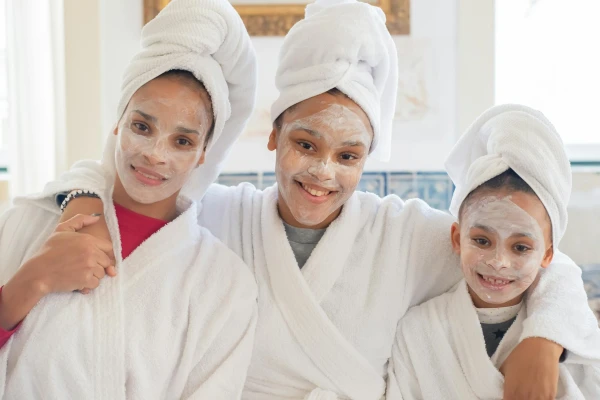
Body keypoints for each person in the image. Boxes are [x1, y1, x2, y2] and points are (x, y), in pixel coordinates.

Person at [19, 1, 600, 398]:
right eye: (305, 144)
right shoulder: (222, 216)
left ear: (367, 158)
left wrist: (543, 339)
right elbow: (133, 184)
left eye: (348, 155)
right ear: (273, 137)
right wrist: (82, 203)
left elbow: (533, 258)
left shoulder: (404, 237)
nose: (323, 173)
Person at [0, 0, 258, 398]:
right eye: (142, 126)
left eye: (182, 141)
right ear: (118, 123)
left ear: (203, 154)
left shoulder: (223, 283)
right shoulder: (27, 222)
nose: (156, 154)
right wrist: (34, 279)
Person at [387, 104, 600, 399]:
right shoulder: (418, 330)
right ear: (457, 238)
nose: (499, 262)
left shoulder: (570, 337)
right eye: (482, 241)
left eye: (521, 247)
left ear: (548, 254)